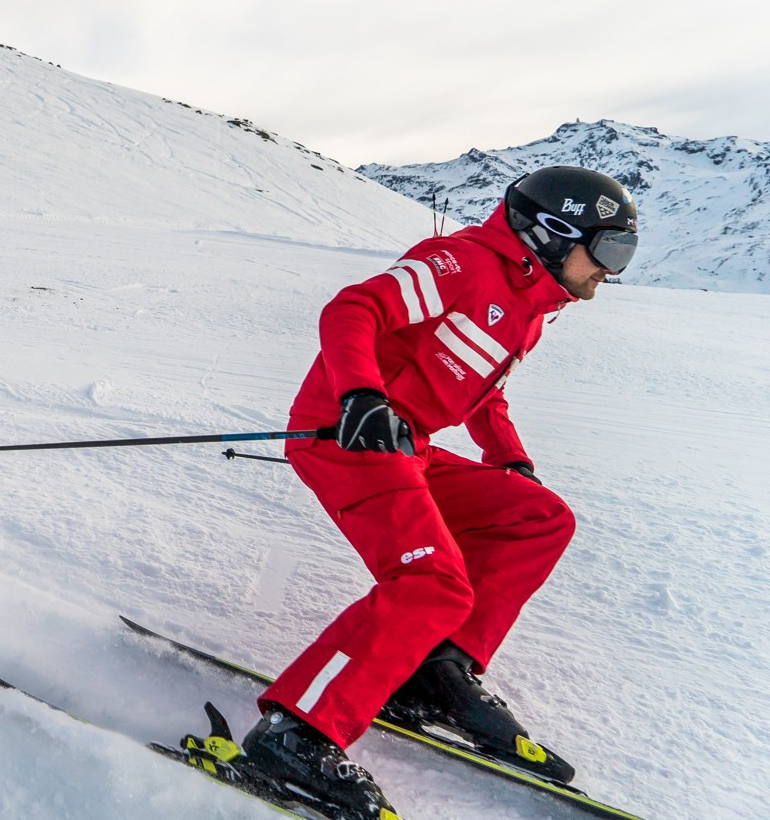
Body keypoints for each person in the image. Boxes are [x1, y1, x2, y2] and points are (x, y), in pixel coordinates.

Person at [229, 166, 639, 818]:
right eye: (611, 249)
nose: (611, 271)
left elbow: (484, 388)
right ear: (555, 232)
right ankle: (294, 735)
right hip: (349, 435)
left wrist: (511, 460)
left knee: (540, 518)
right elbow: (353, 309)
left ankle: (431, 674)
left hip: (407, 445)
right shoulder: (461, 263)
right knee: (432, 582)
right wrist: (360, 394)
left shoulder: (527, 308)